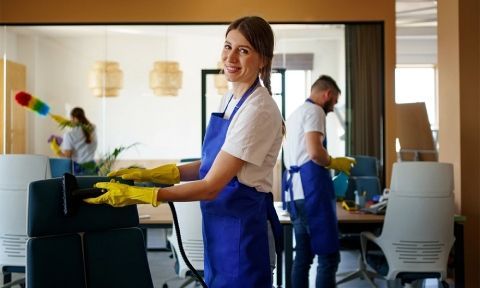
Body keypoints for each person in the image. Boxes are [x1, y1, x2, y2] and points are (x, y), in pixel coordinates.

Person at [85, 16, 284, 288]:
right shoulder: (231, 98)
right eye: (228, 46)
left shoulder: (258, 109)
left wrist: (146, 195)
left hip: (242, 231)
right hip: (220, 226)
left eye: (244, 50)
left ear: (262, 60)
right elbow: (216, 163)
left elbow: (212, 185)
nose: (231, 57)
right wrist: (159, 174)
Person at [282, 75, 355, 288]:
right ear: (328, 95)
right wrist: (333, 162)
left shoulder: (295, 114)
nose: (333, 108)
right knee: (328, 257)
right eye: (334, 102)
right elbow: (314, 152)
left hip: (295, 193)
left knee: (303, 257)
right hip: (311, 193)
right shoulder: (315, 111)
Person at [50, 107, 98, 175]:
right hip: (92, 167)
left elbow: (66, 158)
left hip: (79, 170)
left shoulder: (69, 135)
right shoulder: (93, 128)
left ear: (73, 118)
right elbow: (81, 129)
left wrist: (56, 150)